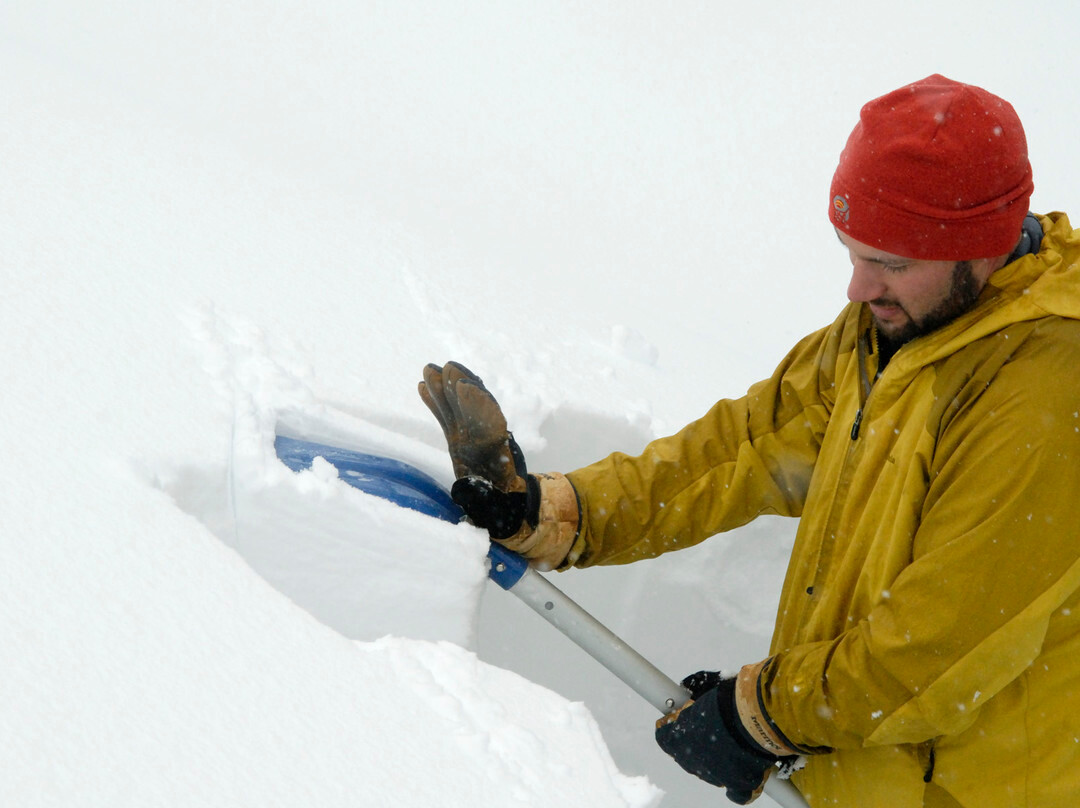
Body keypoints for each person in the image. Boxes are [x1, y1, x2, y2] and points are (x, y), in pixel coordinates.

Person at [418, 74, 1080, 807]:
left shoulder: (1044, 393)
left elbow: (937, 645)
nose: (858, 288)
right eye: (851, 252)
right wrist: (558, 511)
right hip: (865, 776)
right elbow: (740, 451)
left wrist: (762, 715)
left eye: (892, 263)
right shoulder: (894, 331)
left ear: (980, 248)